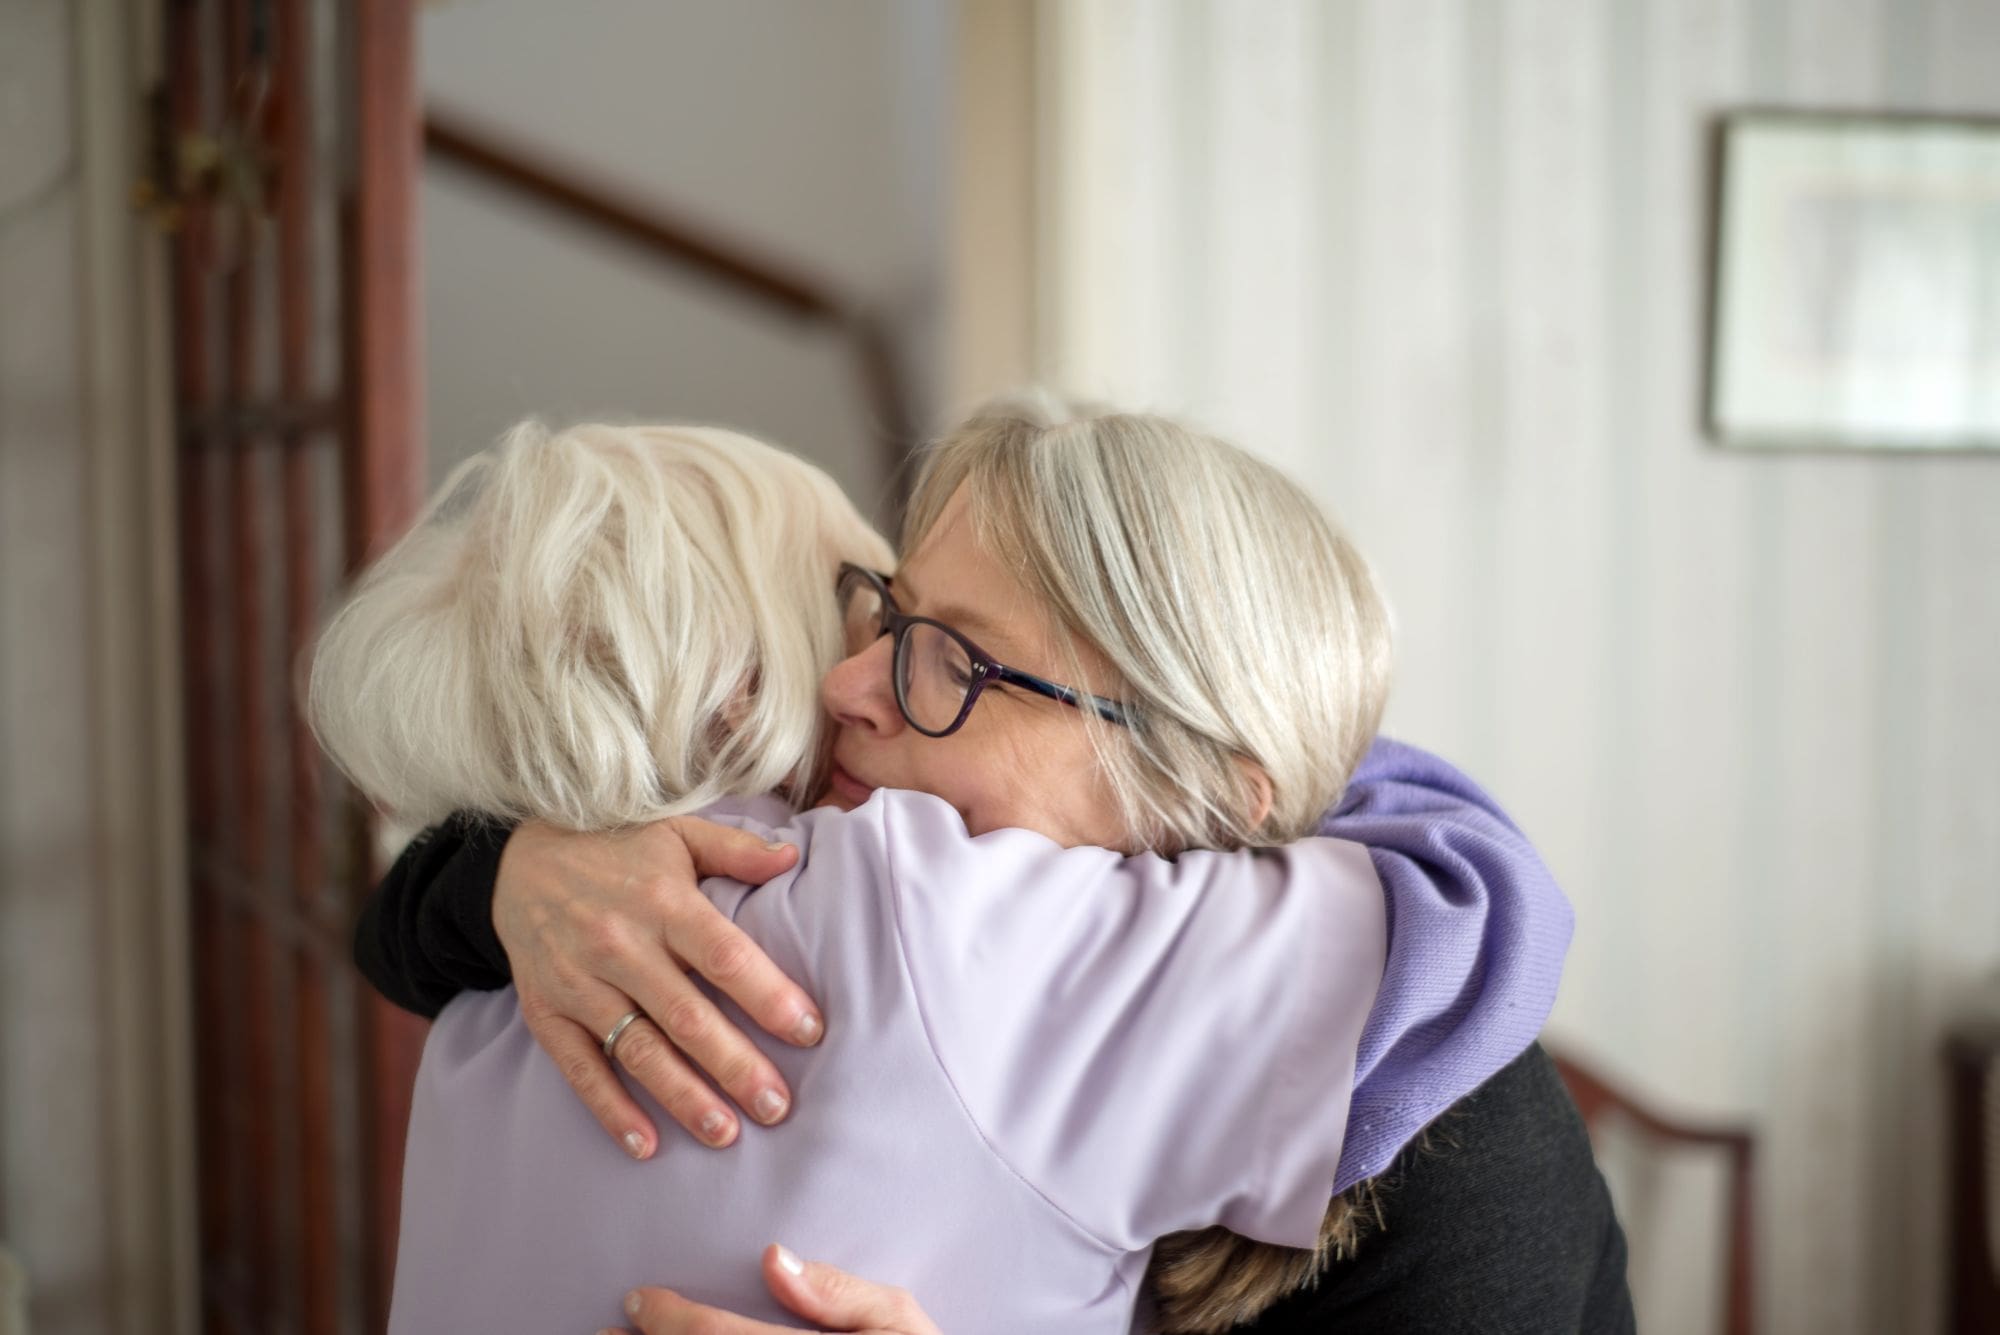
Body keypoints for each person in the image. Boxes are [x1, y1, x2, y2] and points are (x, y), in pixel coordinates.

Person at [336, 402, 1625, 1332]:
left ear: (1193, 794)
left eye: (957, 661)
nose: (850, 683)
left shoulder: (1464, 1161)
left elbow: (1469, 907)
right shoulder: (803, 896)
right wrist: (521, 874)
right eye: (892, 615)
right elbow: (403, 923)